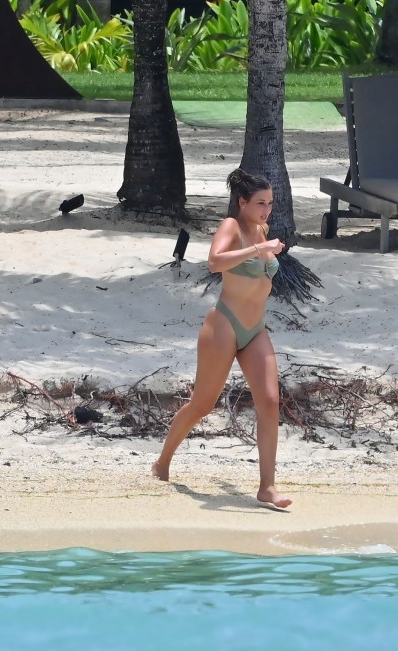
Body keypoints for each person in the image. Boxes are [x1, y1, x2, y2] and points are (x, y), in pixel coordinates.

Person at [152, 169, 292, 509]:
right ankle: (163, 461)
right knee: (202, 405)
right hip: (224, 325)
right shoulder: (232, 227)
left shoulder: (262, 229)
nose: (266, 210)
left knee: (270, 402)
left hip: (255, 327)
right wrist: (260, 248)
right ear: (242, 202)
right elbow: (215, 262)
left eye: (270, 204)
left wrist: (265, 247)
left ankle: (267, 487)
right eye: (260, 203)